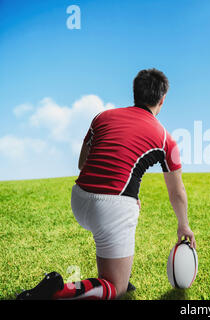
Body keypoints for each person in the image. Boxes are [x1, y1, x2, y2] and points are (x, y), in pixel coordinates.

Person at [17, 68, 196, 300]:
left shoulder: (102, 117)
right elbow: (177, 192)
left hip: (79, 199)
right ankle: (58, 290)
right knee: (116, 288)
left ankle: (114, 272)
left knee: (130, 205)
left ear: (135, 93)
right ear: (162, 100)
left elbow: (83, 163)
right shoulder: (165, 138)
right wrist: (184, 226)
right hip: (111, 210)